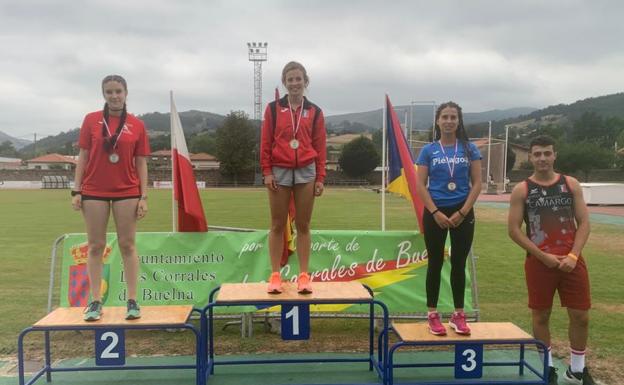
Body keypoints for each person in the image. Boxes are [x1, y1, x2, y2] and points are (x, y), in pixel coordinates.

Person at [508, 135, 594, 385]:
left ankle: (577, 370)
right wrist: (542, 256)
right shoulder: (522, 189)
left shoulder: (571, 184)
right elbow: (514, 230)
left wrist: (573, 255)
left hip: (571, 261)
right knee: (541, 316)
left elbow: (584, 222)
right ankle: (547, 368)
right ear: (531, 157)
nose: (542, 158)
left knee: (581, 316)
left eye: (547, 153)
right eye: (537, 154)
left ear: (555, 155)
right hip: (539, 262)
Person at [71, 75, 150, 321]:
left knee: (127, 245)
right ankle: (95, 302)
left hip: (127, 190)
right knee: (95, 246)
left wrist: (143, 196)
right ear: (103, 94)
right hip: (94, 190)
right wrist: (77, 190)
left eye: (118, 91)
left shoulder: (137, 124)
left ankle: (133, 300)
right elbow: (83, 156)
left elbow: (141, 162)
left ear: (126, 93)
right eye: (109, 92)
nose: (114, 96)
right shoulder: (91, 120)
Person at [415, 101, 482, 336]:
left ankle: (458, 314)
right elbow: (420, 185)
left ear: (459, 121)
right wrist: (435, 212)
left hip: (463, 211)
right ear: (438, 121)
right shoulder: (428, 150)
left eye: (454, 117)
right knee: (434, 263)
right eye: (445, 117)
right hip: (436, 211)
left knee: (459, 263)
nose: (449, 121)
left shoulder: (469, 149)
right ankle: (432, 315)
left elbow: (477, 184)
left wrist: (463, 212)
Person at [260, 61, 326, 294]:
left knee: (303, 225)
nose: (295, 83)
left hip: (307, 170)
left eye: (299, 79)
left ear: (305, 81)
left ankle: (304, 276)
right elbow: (266, 142)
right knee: (277, 224)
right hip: (279, 170)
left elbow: (320, 145)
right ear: (284, 82)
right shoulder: (273, 109)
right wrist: (267, 171)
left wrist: (320, 177)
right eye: (290, 79)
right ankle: (275, 275)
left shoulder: (315, 111)